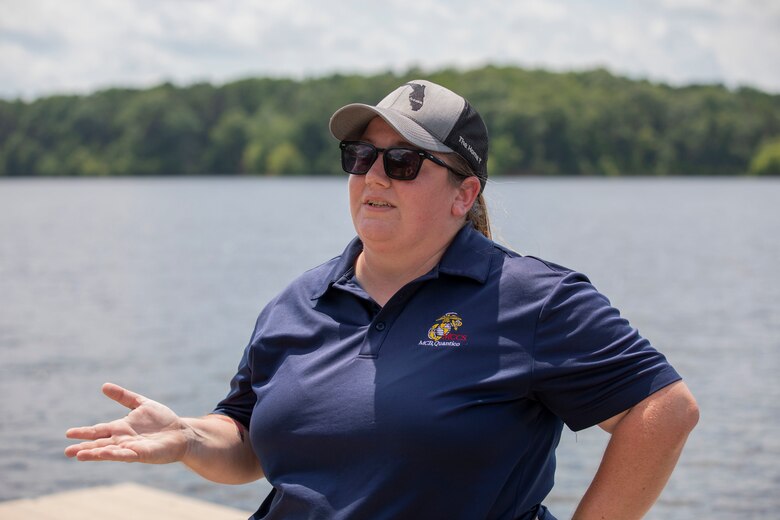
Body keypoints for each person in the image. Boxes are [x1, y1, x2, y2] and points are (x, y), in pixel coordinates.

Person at [65, 80, 699, 520]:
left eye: (403, 162)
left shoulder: (532, 299)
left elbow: (665, 411)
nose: (372, 174)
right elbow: (249, 442)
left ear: (463, 192)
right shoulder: (301, 300)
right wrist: (187, 437)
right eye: (360, 155)